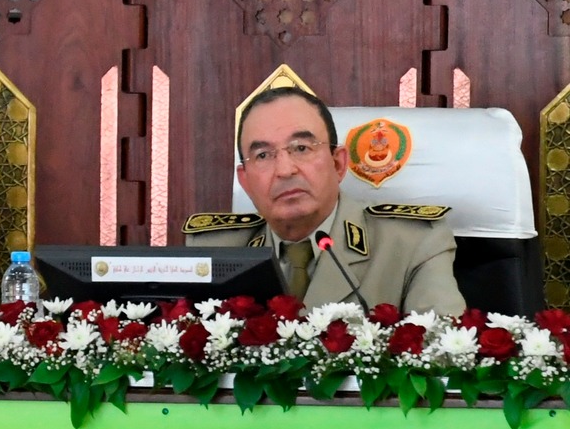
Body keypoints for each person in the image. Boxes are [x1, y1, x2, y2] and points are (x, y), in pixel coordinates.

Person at [184, 86, 463, 316]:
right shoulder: (213, 251)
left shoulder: (413, 244)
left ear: (338, 164)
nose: (285, 170)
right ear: (245, 182)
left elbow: (442, 355)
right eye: (263, 155)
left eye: (301, 148)